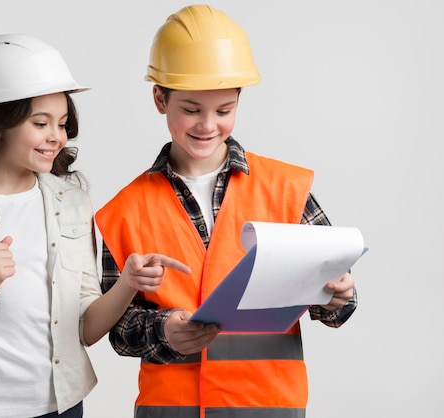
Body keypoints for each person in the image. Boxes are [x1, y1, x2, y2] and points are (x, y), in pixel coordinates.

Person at [0, 33, 189, 418]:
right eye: (40, 122)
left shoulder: (71, 200)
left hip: (63, 407)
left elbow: (85, 330)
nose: (56, 137)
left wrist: (127, 283)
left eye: (61, 123)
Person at [95, 5, 358, 418]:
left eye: (223, 110)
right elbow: (118, 330)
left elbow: (337, 304)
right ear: (160, 98)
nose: (207, 125)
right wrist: (163, 331)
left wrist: (339, 294)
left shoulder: (287, 189)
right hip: (172, 409)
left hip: (267, 406)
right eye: (191, 109)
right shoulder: (123, 212)